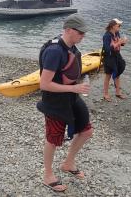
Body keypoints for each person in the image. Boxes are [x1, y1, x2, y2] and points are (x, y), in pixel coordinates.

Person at [37, 13, 93, 193]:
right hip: (54, 102)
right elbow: (44, 84)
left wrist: (75, 87)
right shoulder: (54, 51)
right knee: (53, 139)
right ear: (68, 30)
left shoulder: (73, 47)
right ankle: (47, 175)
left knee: (87, 131)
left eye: (84, 33)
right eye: (80, 33)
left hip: (71, 97)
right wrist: (74, 89)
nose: (83, 36)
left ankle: (68, 163)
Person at [102, 18, 128, 102]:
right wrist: (119, 43)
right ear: (113, 26)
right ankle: (105, 94)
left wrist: (123, 42)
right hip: (109, 57)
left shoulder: (116, 33)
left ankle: (117, 92)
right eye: (118, 25)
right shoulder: (107, 36)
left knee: (118, 73)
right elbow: (107, 49)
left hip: (117, 55)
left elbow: (119, 44)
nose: (120, 27)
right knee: (108, 75)